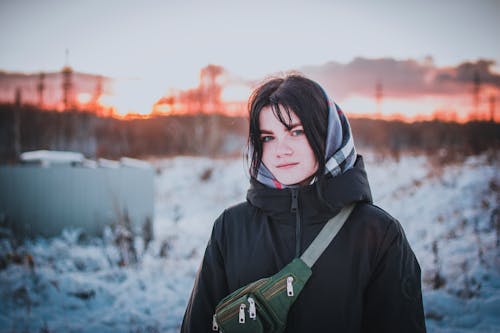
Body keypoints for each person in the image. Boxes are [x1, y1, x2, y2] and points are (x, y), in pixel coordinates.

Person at [181, 75, 426, 332]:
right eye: (267, 137)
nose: (280, 150)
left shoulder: (377, 232)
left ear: (327, 133)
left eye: (295, 131)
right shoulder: (231, 228)